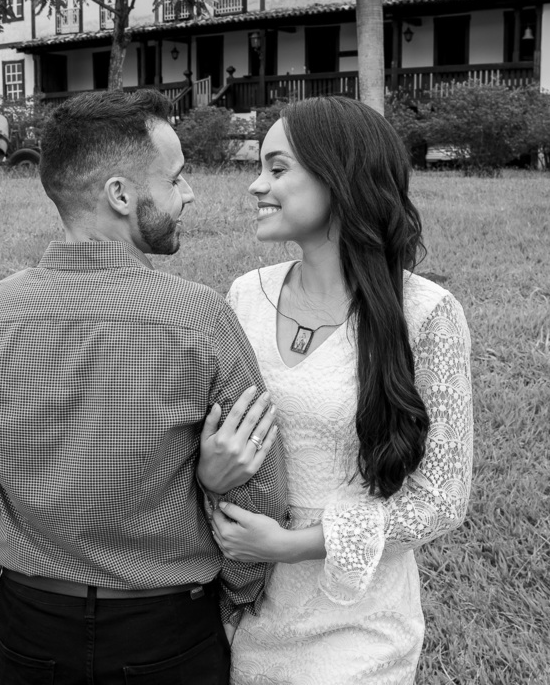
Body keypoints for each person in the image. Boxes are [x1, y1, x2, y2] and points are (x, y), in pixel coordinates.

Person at [0, 89, 288, 684]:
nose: (189, 193)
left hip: (30, 628)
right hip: (169, 630)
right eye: (174, 179)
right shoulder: (199, 317)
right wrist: (240, 596)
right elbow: (255, 481)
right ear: (120, 194)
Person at [201, 96, 473, 684]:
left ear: (339, 179)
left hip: (356, 620)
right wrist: (210, 472)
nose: (255, 186)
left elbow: (441, 500)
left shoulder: (425, 314)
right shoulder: (244, 295)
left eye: (277, 168)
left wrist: (293, 545)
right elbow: (211, 434)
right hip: (241, 602)